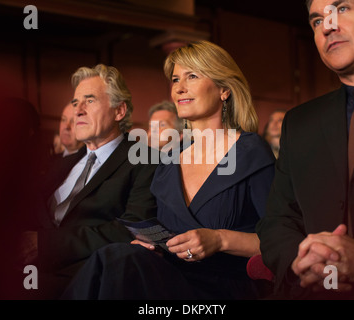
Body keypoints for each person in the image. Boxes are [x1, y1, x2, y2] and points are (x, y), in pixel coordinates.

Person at [61, 40, 275, 300]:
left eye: (192, 76)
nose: (179, 88)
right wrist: (151, 245)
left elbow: (279, 242)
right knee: (117, 256)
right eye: (175, 79)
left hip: (223, 288)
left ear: (224, 89)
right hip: (169, 279)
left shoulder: (251, 151)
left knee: (117, 260)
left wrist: (220, 239)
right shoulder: (169, 159)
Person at [256, 0, 354, 299]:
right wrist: (298, 263)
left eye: (341, 9)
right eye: (316, 21)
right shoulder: (299, 123)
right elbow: (278, 220)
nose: (327, 26)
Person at [20, 64, 158, 299]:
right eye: (75, 103)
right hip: (26, 269)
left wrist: (44, 244)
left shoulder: (145, 161)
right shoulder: (62, 164)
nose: (78, 111)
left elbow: (133, 230)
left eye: (90, 100)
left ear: (119, 111)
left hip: (82, 278)